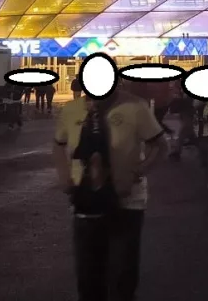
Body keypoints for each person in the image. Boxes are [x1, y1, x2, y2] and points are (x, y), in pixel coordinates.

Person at [53, 80, 167, 301]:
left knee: (122, 273)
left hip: (126, 202)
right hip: (86, 202)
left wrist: (137, 173)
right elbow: (58, 144)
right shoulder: (71, 110)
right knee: (88, 273)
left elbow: (160, 146)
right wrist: (64, 176)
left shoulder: (135, 107)